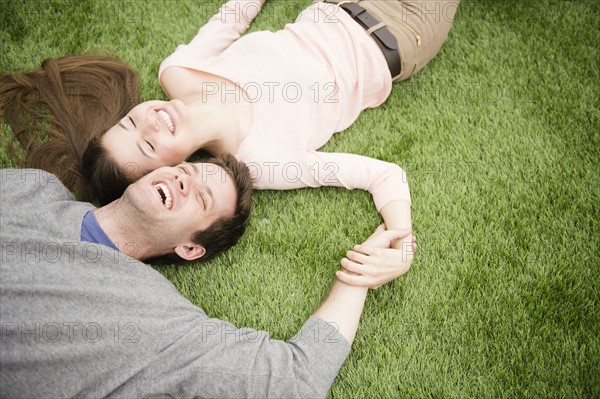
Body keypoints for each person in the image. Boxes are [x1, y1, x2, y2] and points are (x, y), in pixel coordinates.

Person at [0, 0, 456, 285]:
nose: (150, 122)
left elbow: (236, 12)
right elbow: (383, 174)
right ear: (167, 168)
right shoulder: (262, 161)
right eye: (147, 146)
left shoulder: (176, 71)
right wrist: (401, 241)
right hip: (400, 32)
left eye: (129, 124)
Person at [0, 166, 414, 397]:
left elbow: (295, 381)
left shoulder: (158, 320)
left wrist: (356, 277)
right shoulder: (32, 187)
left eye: (201, 198)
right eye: (185, 170)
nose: (184, 180)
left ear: (190, 248)